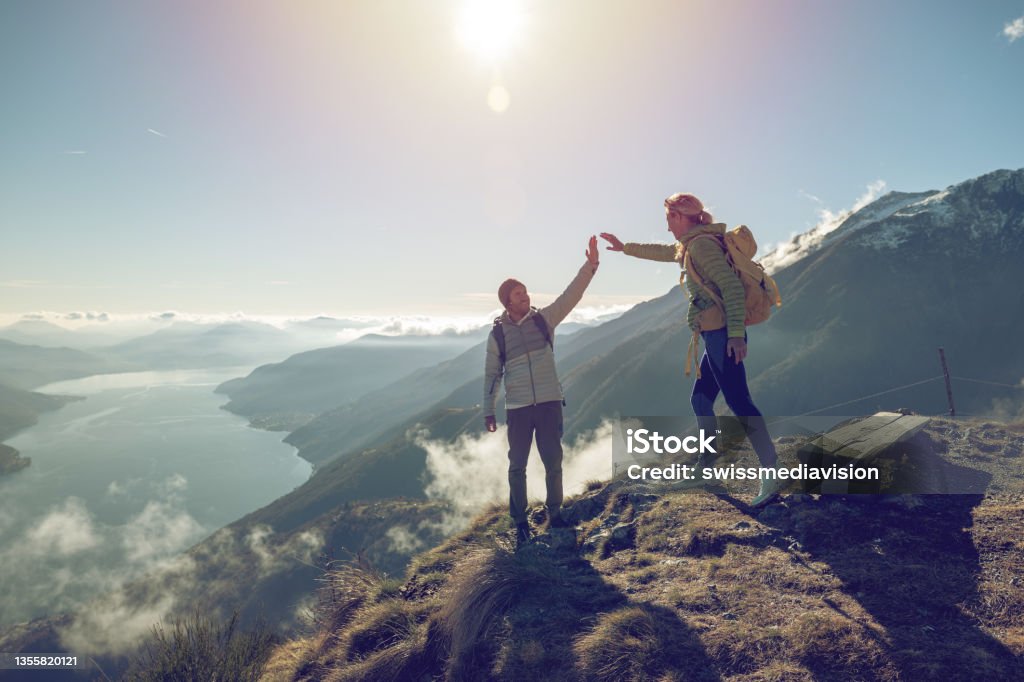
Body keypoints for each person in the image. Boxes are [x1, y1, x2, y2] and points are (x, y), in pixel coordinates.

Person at [600, 193, 782, 507]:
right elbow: (661, 251)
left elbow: (732, 287)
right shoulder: (691, 244)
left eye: (670, 217)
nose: (667, 224)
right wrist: (624, 247)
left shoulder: (701, 246)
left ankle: (771, 471)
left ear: (683, 217)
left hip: (724, 336)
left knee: (740, 402)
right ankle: (706, 467)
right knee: (700, 399)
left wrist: (736, 336)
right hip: (715, 335)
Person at [484, 236, 600, 546]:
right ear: (507, 302)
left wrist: (590, 266)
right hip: (519, 407)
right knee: (517, 466)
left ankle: (555, 512)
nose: (526, 296)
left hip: (549, 401)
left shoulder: (543, 321)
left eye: (525, 291)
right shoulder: (498, 334)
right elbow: (492, 374)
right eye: (519, 294)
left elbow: (570, 296)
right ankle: (520, 522)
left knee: (553, 461)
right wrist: (488, 409)